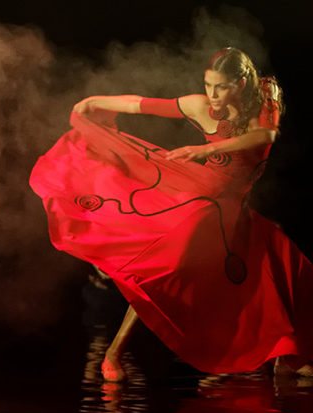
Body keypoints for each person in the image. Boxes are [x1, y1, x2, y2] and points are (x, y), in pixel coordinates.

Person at [30, 47, 313, 381]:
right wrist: (94, 102)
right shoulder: (200, 107)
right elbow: (139, 104)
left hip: (235, 208)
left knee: (288, 264)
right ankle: (114, 353)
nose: (212, 95)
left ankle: (284, 354)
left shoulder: (264, 104)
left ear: (240, 84)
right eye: (208, 85)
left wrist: (207, 148)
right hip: (203, 200)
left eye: (220, 87)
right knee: (171, 263)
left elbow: (263, 136)